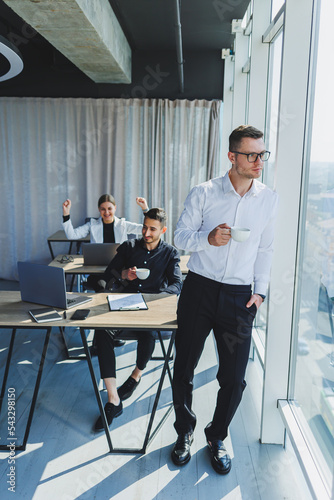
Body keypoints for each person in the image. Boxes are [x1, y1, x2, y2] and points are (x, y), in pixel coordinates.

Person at [170, 125, 279, 475]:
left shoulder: (268, 199)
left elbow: (266, 248)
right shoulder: (204, 192)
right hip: (199, 290)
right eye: (251, 154)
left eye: (262, 154)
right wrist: (207, 238)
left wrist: (259, 292)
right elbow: (180, 236)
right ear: (232, 157)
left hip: (238, 298)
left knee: (234, 378)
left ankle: (217, 436)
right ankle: (184, 430)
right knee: (183, 368)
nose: (259, 161)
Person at [93, 208, 183, 431]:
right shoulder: (129, 247)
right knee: (101, 331)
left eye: (152, 229)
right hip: (125, 302)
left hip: (151, 306)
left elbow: (177, 284)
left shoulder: (170, 253)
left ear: (162, 230)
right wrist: (124, 275)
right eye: (144, 227)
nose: (146, 232)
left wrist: (157, 298)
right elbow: (108, 275)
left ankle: (135, 375)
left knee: (149, 332)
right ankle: (113, 399)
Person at [62, 194, 148, 347]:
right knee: (103, 290)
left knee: (110, 292)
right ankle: (103, 339)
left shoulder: (122, 224)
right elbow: (72, 235)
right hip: (98, 274)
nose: (106, 212)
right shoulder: (92, 225)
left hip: (119, 273)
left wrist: (145, 209)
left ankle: (106, 337)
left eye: (109, 208)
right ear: (98, 210)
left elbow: (145, 229)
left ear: (115, 208)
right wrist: (66, 213)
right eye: (103, 209)